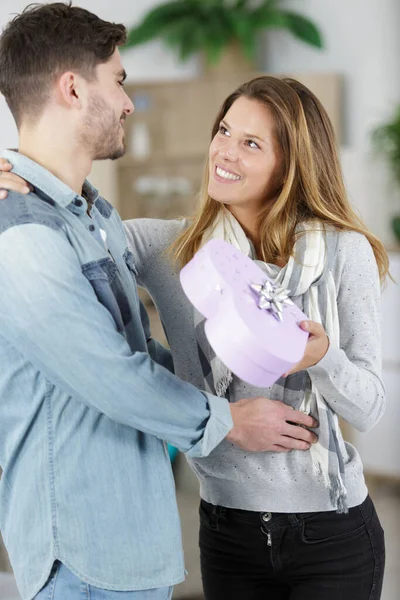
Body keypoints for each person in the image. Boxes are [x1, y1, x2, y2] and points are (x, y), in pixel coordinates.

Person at [0, 5, 321, 600]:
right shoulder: (21, 233)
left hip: (127, 543)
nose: (127, 102)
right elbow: (109, 374)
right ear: (71, 87)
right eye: (118, 81)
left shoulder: (93, 218)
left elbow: (135, 348)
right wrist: (229, 422)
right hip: (83, 553)